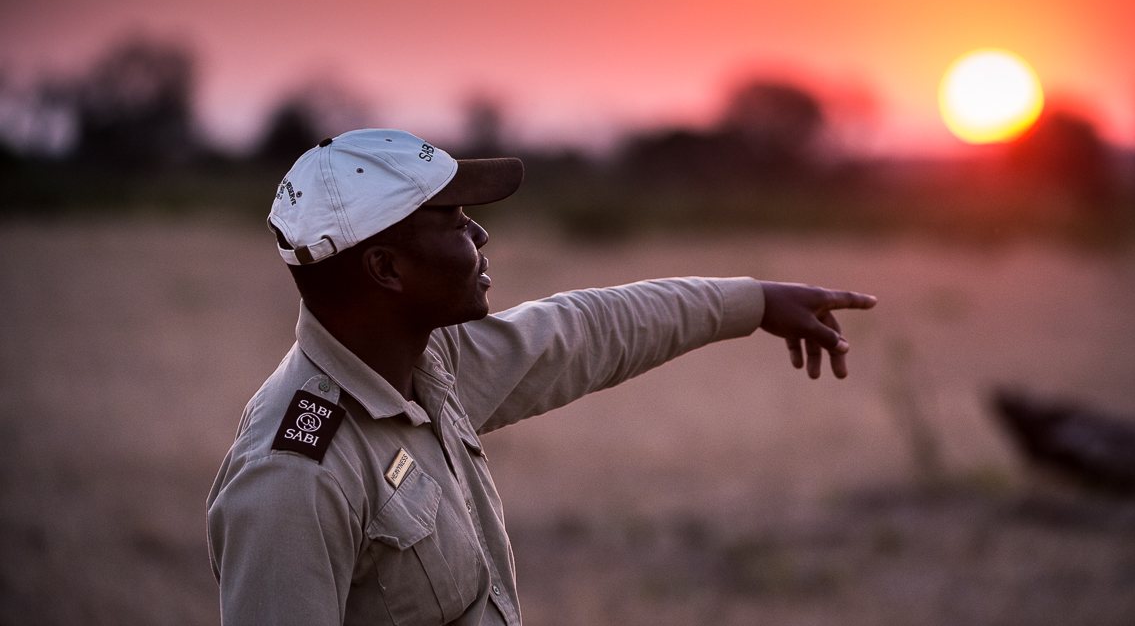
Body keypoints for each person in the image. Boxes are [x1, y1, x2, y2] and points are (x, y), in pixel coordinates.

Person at [206, 128, 876, 625]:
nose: (481, 236)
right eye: (455, 222)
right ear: (387, 268)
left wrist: (751, 300)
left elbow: (582, 330)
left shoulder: (430, 363)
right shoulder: (293, 474)